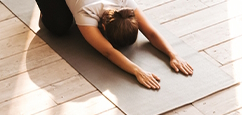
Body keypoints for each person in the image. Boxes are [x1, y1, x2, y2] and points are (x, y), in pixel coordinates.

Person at [34, 0, 193, 89]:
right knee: (60, 26)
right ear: (102, 27)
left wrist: (174, 55)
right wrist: (137, 70)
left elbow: (150, 33)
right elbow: (108, 52)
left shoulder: (126, 4)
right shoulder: (87, 13)